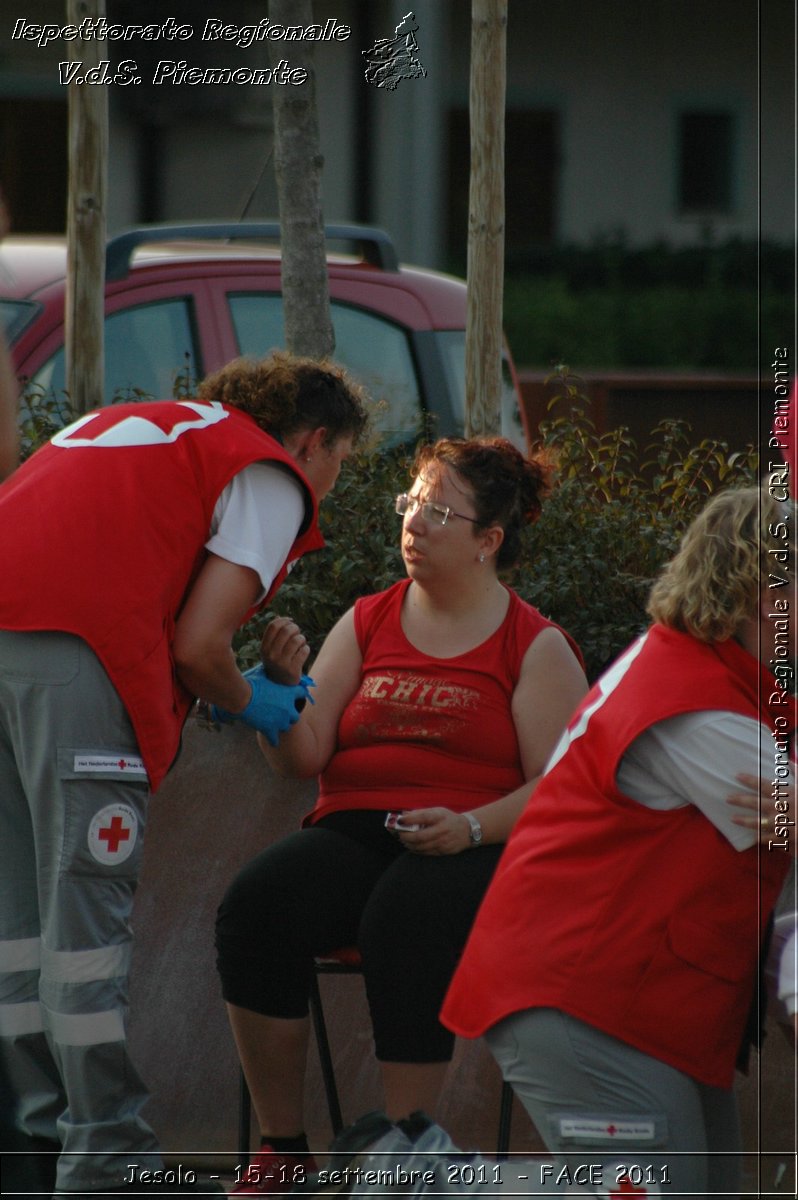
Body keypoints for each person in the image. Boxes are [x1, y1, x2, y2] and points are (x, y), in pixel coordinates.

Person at [0, 351, 369, 1196]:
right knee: (84, 936)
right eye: (341, 464)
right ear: (313, 442)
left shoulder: (137, 430)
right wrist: (253, 701)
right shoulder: (268, 472)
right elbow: (200, 647)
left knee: (14, 928)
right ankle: (107, 1159)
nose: (331, 483)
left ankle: (25, 1152)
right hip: (76, 660)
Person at [215, 436, 588, 1195]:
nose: (415, 523)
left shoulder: (535, 645)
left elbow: (560, 791)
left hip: (476, 846)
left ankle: (405, 1153)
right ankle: (282, 1151)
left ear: (489, 540)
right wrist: (278, 697)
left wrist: (470, 825)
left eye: (439, 511)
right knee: (255, 905)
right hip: (361, 828)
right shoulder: (367, 620)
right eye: (412, 503)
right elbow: (306, 755)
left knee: (404, 914)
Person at [440, 484, 797, 1196]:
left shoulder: (702, 675)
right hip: (588, 997)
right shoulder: (698, 710)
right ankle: (431, 1184)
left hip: (618, 995)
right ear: (767, 595)